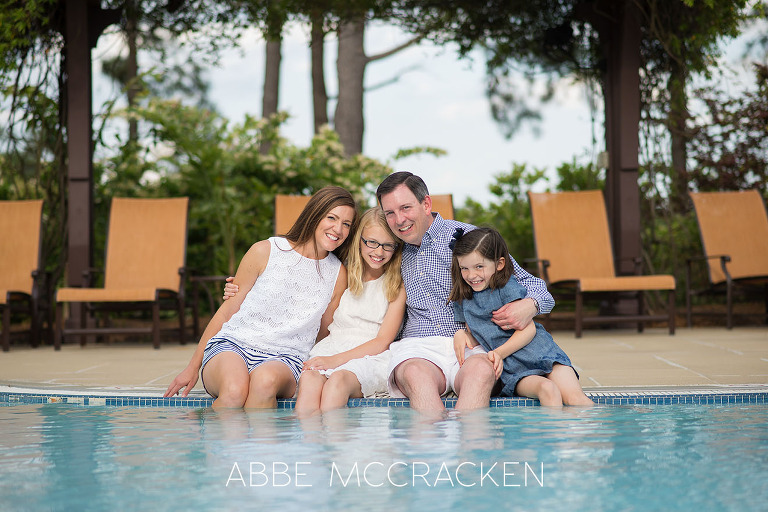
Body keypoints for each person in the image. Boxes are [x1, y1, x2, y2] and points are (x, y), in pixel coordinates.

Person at [376, 171, 555, 413]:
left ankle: (470, 447)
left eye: (405, 208)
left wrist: (530, 305)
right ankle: (430, 446)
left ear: (426, 204)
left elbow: (533, 284)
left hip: (473, 343)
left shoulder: (467, 239)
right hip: (419, 347)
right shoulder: (389, 249)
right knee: (415, 374)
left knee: (482, 371)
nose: (399, 220)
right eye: (390, 213)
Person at [163, 186, 356, 408]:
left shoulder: (338, 275)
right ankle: (216, 441)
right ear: (314, 215)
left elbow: (321, 333)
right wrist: (192, 367)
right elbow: (227, 311)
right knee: (234, 391)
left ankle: (257, 443)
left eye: (346, 224)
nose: (338, 229)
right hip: (233, 345)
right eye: (331, 218)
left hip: (286, 359)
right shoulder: (265, 250)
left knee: (264, 383)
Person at [448, 227, 593, 406]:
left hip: (543, 354)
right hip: (515, 370)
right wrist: (463, 334)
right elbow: (477, 334)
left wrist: (498, 353)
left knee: (575, 399)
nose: (471, 275)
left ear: (499, 264)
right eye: (464, 268)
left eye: (479, 266)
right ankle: (553, 433)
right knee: (548, 389)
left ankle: (592, 431)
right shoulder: (463, 299)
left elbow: (529, 329)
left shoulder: (505, 287)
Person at [294, 207, 406, 416]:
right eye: (371, 242)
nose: (379, 252)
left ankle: (337, 446)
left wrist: (334, 361)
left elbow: (382, 341)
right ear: (359, 240)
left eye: (388, 245)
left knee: (337, 382)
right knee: (309, 380)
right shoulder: (343, 274)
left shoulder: (396, 285)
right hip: (332, 347)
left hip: (371, 355)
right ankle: (308, 446)